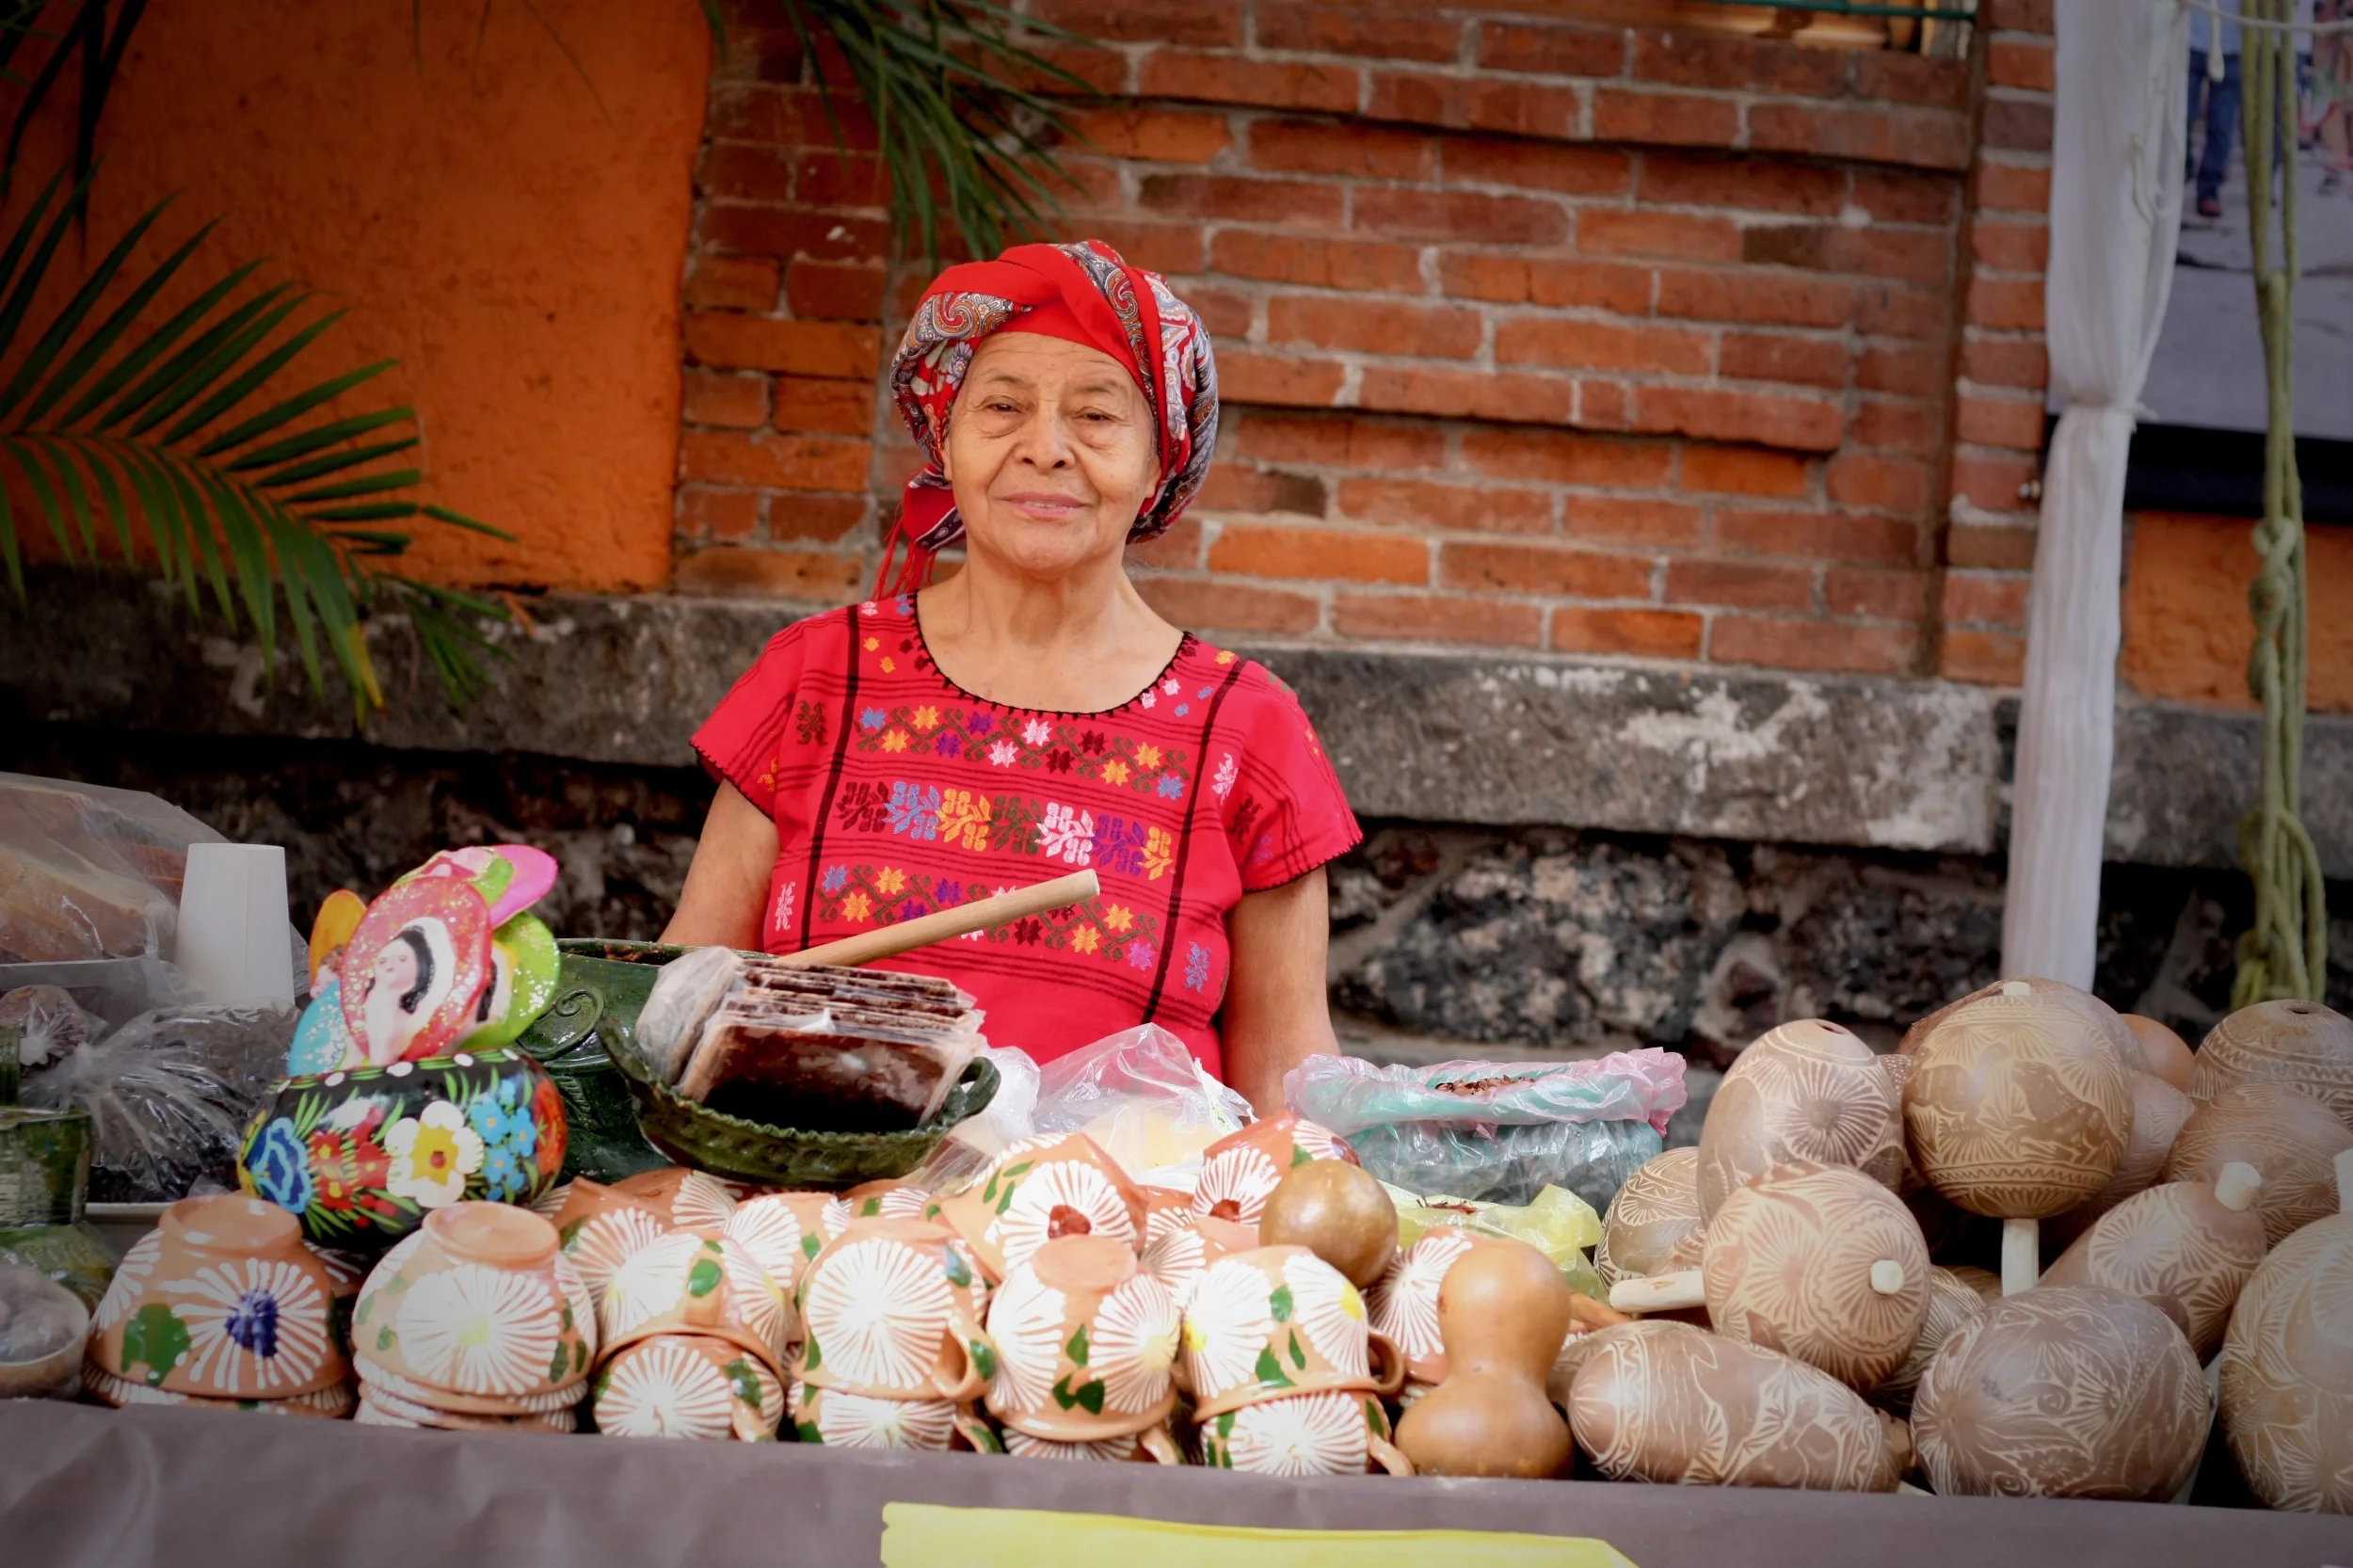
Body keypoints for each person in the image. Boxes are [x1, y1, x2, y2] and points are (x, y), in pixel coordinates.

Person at [664, 240, 1360, 1113]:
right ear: (946, 442)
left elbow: (1288, 1085)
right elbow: (679, 1003)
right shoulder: (816, 676)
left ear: (1159, 464)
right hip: (815, 1190)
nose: (1046, 448)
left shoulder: (1248, 728)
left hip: (1119, 1200)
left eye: (1097, 415)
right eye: (1002, 406)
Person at [2189, 0, 2245, 219]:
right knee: (2181, 119)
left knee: (2222, 125)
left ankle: (2209, 190)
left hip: (2232, 45)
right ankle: (2179, 174)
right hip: (2189, 40)